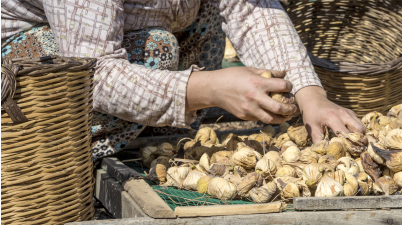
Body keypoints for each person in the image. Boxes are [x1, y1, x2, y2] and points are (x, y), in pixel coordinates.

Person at [1, 0, 365, 161]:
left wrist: (311, 95)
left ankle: (150, 136)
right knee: (158, 49)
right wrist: (209, 88)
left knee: (206, 12)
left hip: (130, 34)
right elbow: (94, 72)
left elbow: (250, 10)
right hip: (27, 67)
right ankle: (78, 155)